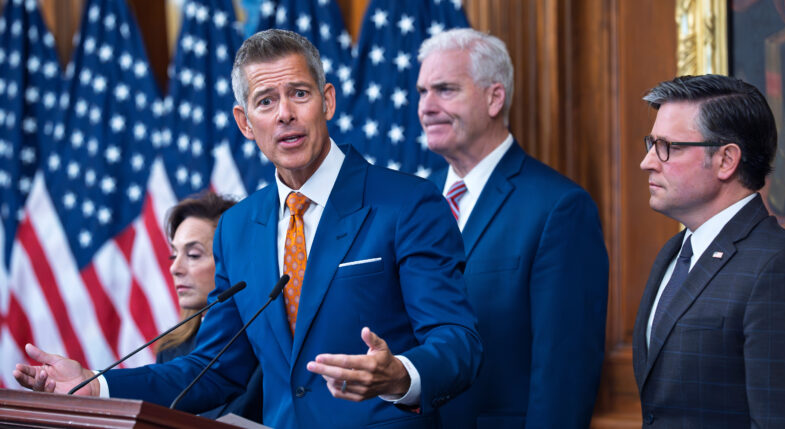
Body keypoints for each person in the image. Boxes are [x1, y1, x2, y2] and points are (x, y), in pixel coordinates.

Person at [13, 29, 482, 428]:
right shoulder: (237, 227)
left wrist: (400, 374)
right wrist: (97, 383)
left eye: (299, 93)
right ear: (244, 122)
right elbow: (213, 370)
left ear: (328, 101)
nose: (284, 114)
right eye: (265, 100)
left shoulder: (407, 203)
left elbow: (458, 341)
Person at [416, 28, 609, 428]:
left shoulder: (560, 208)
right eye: (422, 92)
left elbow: (564, 374)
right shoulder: (416, 201)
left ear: (494, 97)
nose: (427, 107)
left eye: (445, 90)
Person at [633, 74, 785, 427]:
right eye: (651, 143)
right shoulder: (672, 253)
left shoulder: (779, 265)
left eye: (668, 146)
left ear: (726, 160)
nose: (648, 162)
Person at [153, 191, 263, 423]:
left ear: (232, 260)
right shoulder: (172, 347)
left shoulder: (266, 340)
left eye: (193, 255)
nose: (175, 268)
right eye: (174, 255)